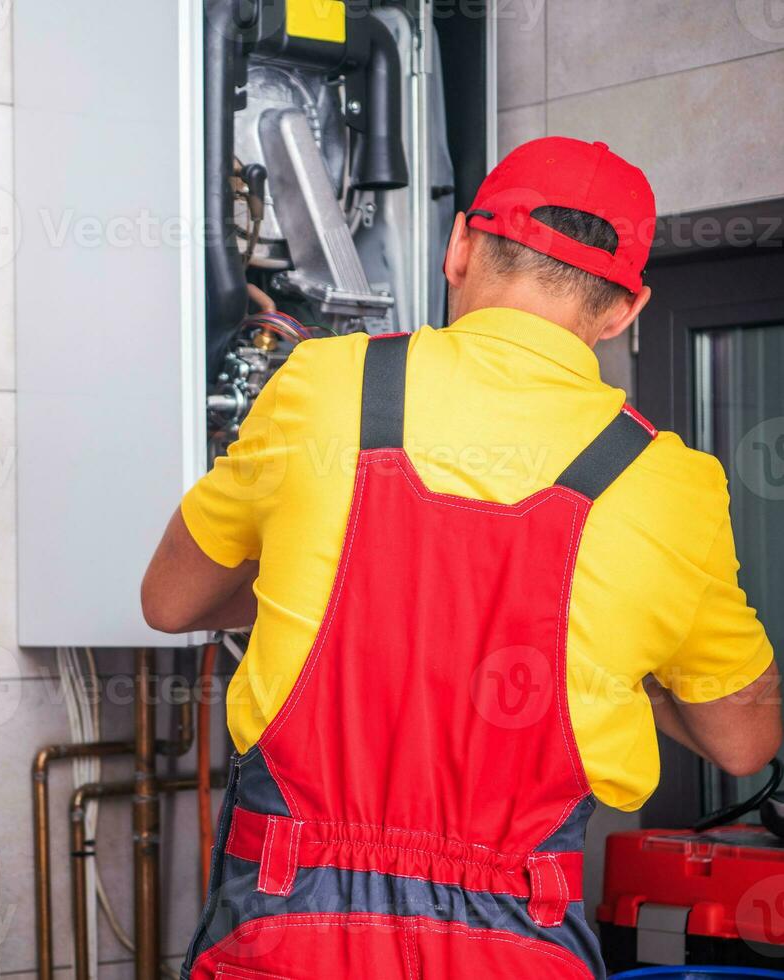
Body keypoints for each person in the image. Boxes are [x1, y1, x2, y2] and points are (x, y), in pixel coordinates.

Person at [143, 137, 781, 979]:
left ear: (460, 249)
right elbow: (745, 741)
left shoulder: (324, 384)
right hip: (519, 941)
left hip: (288, 931)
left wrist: (342, 580)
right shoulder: (669, 483)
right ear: (627, 310)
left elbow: (171, 601)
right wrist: (622, 664)